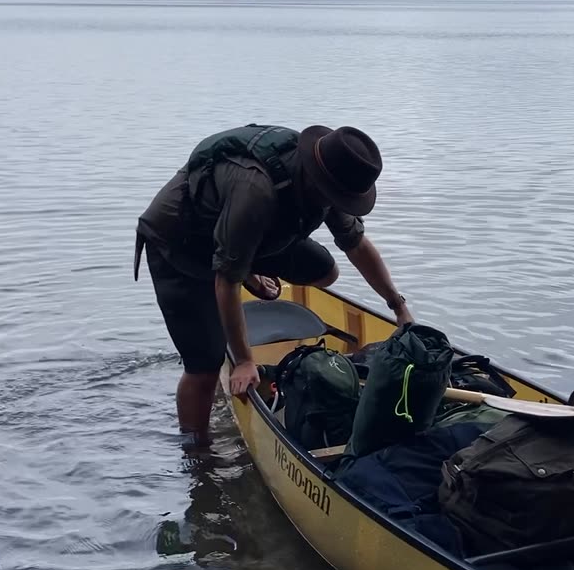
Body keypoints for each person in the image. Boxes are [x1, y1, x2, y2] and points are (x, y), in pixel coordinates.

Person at [135, 123, 414, 449]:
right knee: (205, 365)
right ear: (316, 179)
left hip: (237, 232)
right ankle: (196, 452)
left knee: (325, 272)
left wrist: (398, 306)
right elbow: (226, 281)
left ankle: (244, 261)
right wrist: (243, 360)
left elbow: (357, 245)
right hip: (180, 243)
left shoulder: (335, 179)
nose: (339, 203)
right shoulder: (256, 191)